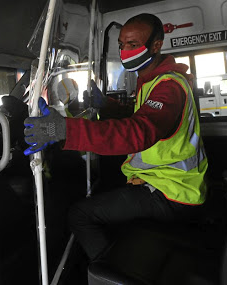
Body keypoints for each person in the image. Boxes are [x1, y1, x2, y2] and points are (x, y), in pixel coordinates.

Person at [23, 13, 208, 261]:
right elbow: (138, 116)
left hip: (172, 193)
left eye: (133, 45)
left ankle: (108, 273)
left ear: (156, 45)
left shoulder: (169, 87)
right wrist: (106, 105)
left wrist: (65, 129)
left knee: (79, 214)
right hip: (167, 184)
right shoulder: (151, 81)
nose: (125, 51)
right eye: (121, 45)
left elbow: (140, 131)